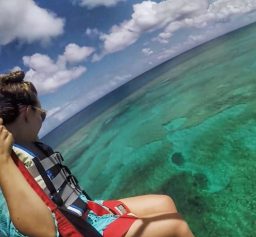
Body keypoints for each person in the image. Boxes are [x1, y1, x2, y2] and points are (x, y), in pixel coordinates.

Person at [0, 70, 195, 237]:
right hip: (80, 228)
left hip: (87, 211)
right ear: (26, 113)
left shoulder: (32, 146)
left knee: (164, 203)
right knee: (177, 227)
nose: (43, 117)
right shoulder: (7, 165)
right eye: (41, 113)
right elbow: (45, 231)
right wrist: (3, 162)